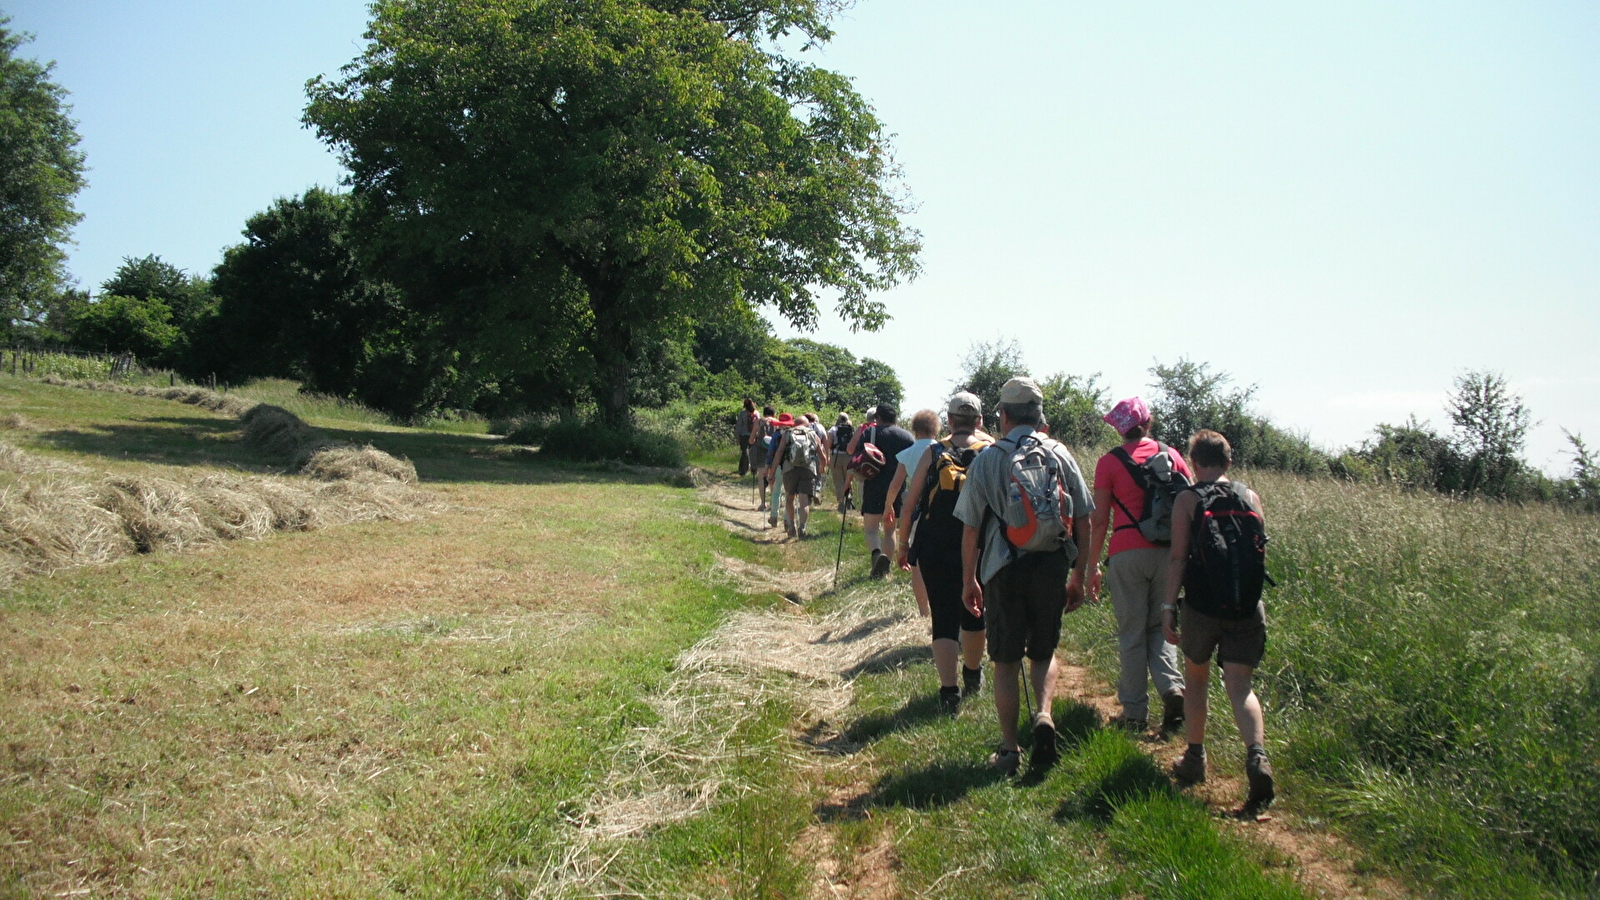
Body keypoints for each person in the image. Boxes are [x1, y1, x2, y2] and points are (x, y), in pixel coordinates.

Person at [954, 377, 1094, 774]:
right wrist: (1080, 573)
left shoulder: (989, 458)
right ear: (1038, 415)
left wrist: (969, 580)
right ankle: (1045, 714)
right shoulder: (1060, 454)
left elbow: (969, 526)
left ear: (1003, 415)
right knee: (1044, 651)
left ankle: (1011, 748)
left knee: (1004, 660)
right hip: (1051, 563)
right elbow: (1084, 516)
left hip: (1004, 569)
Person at [1162, 429, 1276, 816]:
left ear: (1193, 463)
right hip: (1247, 605)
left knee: (1196, 678)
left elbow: (1178, 558)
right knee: (1241, 686)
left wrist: (1167, 607)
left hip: (1202, 606)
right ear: (1229, 462)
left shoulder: (1188, 499)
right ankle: (1257, 757)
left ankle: (1194, 759)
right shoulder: (1251, 497)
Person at [1086, 396, 1193, 733]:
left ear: (1120, 429)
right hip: (1170, 554)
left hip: (1127, 551)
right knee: (1162, 627)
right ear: (1148, 423)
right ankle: (1172, 688)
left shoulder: (1109, 463)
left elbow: (1100, 520)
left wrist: (1091, 567)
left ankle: (1134, 714)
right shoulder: (1173, 455)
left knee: (1131, 634)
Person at [897, 392, 993, 714]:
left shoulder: (934, 452)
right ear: (978, 420)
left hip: (935, 544)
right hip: (981, 545)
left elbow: (910, 504)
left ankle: (948, 691)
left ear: (949, 420)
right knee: (975, 612)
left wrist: (903, 545)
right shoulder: (991, 452)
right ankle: (973, 673)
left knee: (943, 617)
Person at [847, 403, 914, 578]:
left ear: (878, 418)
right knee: (890, 530)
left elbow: (857, 457)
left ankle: (876, 554)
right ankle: (886, 565)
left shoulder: (870, 433)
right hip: (897, 488)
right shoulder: (907, 436)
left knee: (870, 528)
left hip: (873, 484)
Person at [885, 409, 941, 613]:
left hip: (916, 508)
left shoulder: (908, 453)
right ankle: (940, 607)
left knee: (916, 560)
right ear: (936, 429)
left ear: (914, 429)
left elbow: (895, 485)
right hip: (942, 507)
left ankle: (924, 610)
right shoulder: (944, 449)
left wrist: (888, 506)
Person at [828, 413, 855, 512]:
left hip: (836, 456)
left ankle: (841, 502)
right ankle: (849, 498)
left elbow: (829, 443)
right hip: (849, 456)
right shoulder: (851, 429)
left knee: (838, 480)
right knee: (848, 478)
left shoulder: (833, 429)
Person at [756, 405, 776, 511]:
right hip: (774, 453)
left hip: (762, 452)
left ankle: (763, 503)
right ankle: (774, 503)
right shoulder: (777, 422)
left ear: (764, 413)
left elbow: (751, 439)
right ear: (774, 413)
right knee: (773, 478)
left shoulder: (759, 422)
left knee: (761, 477)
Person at [736, 398, 759, 477]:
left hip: (744, 435)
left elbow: (739, 426)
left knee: (744, 452)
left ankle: (743, 470)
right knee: (754, 453)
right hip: (754, 435)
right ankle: (754, 470)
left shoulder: (742, 413)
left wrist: (737, 437)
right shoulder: (757, 413)